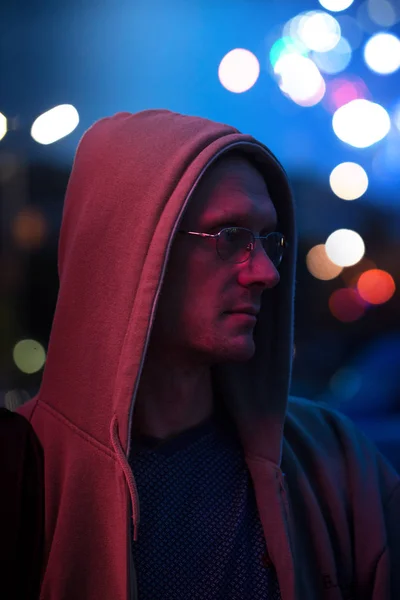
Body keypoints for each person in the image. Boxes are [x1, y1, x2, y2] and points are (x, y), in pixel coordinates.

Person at [16, 109, 400, 599]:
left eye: (270, 240)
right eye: (231, 236)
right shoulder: (21, 476)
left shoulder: (336, 464)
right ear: (129, 251)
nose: (267, 272)